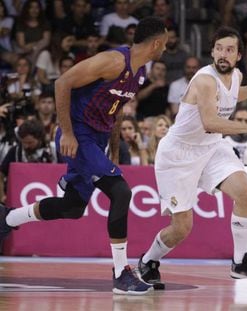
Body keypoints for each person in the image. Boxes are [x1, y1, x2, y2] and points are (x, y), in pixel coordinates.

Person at [0, 16, 169, 295]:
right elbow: (62, 83)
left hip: (96, 140)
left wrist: (113, 152)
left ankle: (7, 219)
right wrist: (66, 133)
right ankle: (121, 274)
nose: (167, 46)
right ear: (157, 43)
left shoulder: (140, 73)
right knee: (121, 192)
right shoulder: (114, 61)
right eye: (165, 42)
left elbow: (115, 114)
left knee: (72, 207)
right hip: (78, 136)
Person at [137, 26, 247, 288]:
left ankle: (240, 262)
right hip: (179, 154)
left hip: (211, 148)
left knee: (245, 191)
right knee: (182, 228)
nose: (224, 54)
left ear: (238, 55)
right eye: (219, 48)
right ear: (212, 51)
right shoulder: (204, 79)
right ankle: (148, 261)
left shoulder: (236, 76)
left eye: (230, 49)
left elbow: (234, 94)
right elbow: (211, 121)